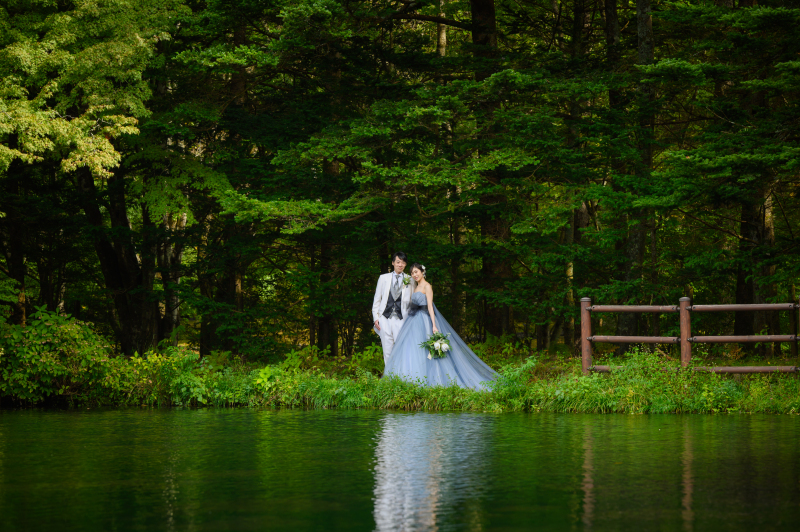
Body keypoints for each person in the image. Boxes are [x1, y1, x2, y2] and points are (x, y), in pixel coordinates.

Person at [383, 263, 497, 390]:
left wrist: (434, 325)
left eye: (416, 272)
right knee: (412, 348)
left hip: (423, 320)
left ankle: (430, 380)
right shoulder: (415, 286)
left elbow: (430, 307)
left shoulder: (427, 286)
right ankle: (410, 380)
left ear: (422, 271)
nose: (414, 275)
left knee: (426, 349)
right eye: (412, 273)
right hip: (413, 320)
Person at [372, 252, 416, 365]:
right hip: (384, 318)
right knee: (387, 350)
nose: (400, 264)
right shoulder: (383, 278)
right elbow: (377, 300)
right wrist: (376, 318)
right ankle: (388, 378)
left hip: (402, 319)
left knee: (401, 348)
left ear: (405, 264)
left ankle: (401, 376)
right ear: (393, 263)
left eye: (403, 262)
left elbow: (413, 301)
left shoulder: (410, 280)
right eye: (398, 262)